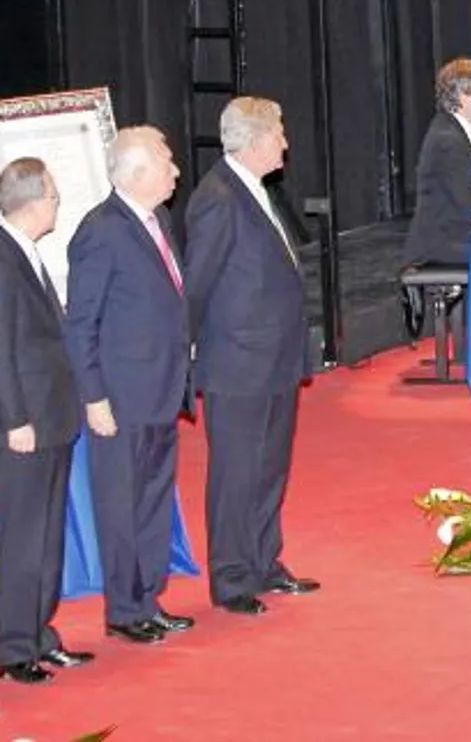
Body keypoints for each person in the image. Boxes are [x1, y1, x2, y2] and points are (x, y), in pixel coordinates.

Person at [185, 97, 319, 616]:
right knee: (236, 473)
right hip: (237, 364)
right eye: (280, 134)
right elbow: (197, 286)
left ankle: (264, 561)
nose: (285, 143)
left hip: (275, 359)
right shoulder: (218, 198)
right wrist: (187, 355)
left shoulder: (254, 190)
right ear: (257, 139)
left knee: (269, 468)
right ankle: (232, 576)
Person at [62, 127, 194, 646]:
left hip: (161, 388)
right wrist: (93, 397)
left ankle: (148, 597)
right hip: (120, 397)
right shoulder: (101, 231)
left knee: (154, 499)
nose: (176, 173)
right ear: (137, 173)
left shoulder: (156, 219)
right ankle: (123, 610)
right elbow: (82, 324)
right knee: (121, 504)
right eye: (167, 164)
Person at [0, 158, 86, 684]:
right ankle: (13, 645)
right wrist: (15, 419)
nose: (57, 203)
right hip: (25, 426)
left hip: (51, 417)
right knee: (23, 537)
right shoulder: (3, 257)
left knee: (48, 535)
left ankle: (38, 633)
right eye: (53, 195)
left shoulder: (24, 252)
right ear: (33, 201)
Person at [403, 58, 471, 268]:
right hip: (445, 245)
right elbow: (467, 203)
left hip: (456, 237)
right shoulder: (449, 141)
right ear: (463, 96)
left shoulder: (454, 130)